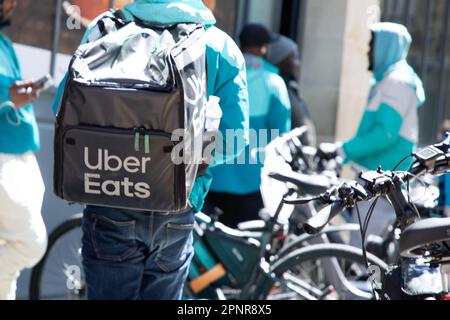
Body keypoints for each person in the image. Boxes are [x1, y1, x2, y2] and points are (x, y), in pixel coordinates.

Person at [53, 0, 249, 300]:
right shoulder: (220, 46)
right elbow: (234, 141)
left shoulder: (104, 30)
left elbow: (61, 110)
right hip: (177, 203)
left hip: (109, 194)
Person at [321, 22, 426, 246]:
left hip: (382, 179)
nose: (368, 51)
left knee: (364, 252)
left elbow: (384, 134)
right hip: (378, 175)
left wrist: (343, 148)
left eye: (372, 45)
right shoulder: (389, 79)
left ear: (386, 46)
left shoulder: (397, 82)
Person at [205, 23, 291, 228]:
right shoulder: (274, 83)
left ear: (239, 44)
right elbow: (281, 136)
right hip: (254, 180)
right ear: (264, 48)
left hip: (213, 176)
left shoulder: (219, 75)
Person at [0, 0, 47, 300]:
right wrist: (8, 95)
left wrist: (21, 92)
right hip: (4, 158)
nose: (13, 4)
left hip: (20, 154)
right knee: (31, 242)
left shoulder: (4, 42)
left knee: (9, 250)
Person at [266, 33, 317, 147]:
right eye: (293, 58)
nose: (297, 63)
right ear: (280, 60)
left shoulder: (291, 89)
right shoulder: (277, 90)